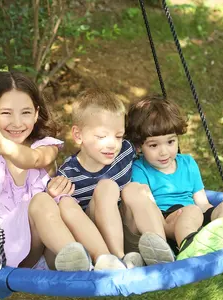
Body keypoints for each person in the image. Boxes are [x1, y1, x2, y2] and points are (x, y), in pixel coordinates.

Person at [0, 71, 94, 271]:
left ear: (36, 113)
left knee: (63, 202)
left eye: (25, 112)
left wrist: (55, 195)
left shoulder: (46, 146)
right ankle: (86, 269)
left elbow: (34, 159)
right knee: (42, 200)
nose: (17, 123)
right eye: (6, 113)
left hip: (50, 247)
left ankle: (99, 259)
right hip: (11, 250)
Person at [45, 88, 179, 268]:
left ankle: (161, 249)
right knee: (107, 186)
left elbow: (154, 143)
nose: (113, 145)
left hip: (131, 237)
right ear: (78, 135)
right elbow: (61, 216)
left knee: (134, 189)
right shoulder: (67, 175)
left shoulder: (126, 150)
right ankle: (117, 259)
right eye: (101, 136)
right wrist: (52, 193)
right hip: (98, 246)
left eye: (118, 136)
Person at [125, 95, 223, 260]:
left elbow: (203, 202)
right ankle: (188, 246)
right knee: (191, 211)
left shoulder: (188, 163)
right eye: (154, 145)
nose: (164, 152)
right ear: (139, 146)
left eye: (170, 142)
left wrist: (217, 215)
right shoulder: (140, 168)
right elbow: (148, 208)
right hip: (165, 221)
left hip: (194, 214)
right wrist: (190, 214)